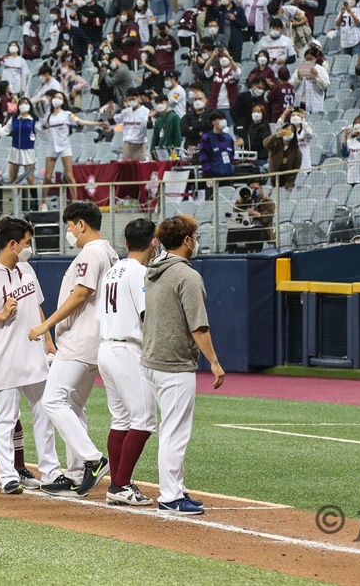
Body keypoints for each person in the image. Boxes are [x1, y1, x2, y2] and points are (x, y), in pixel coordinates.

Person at [0, 216, 60, 495]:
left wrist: (48, 341)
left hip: (32, 353)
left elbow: (37, 306)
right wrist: (0, 315)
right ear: (12, 243)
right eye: (27, 243)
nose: (30, 248)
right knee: (6, 417)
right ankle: (7, 476)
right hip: (0, 356)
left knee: (44, 412)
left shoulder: (26, 270)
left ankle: (51, 472)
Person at [30, 200, 117, 498]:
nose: (69, 232)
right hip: (97, 340)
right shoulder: (108, 251)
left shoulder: (91, 252)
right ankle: (76, 472)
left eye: (70, 226)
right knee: (73, 406)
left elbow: (81, 293)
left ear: (81, 224)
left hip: (79, 341)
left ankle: (92, 460)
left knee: (52, 401)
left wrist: (46, 326)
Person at [143, 215, 224, 515]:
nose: (197, 240)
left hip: (152, 358)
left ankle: (172, 488)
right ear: (187, 239)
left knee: (170, 429)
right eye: (195, 235)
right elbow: (198, 326)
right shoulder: (187, 276)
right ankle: (171, 495)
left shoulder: (153, 270)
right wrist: (214, 362)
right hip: (173, 362)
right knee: (175, 432)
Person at [89, 218, 159, 505]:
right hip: (127, 350)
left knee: (121, 419)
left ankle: (116, 485)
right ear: (154, 242)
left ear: (127, 243)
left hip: (106, 346)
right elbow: (147, 317)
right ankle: (120, 484)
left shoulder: (112, 271)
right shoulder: (141, 272)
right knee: (144, 420)